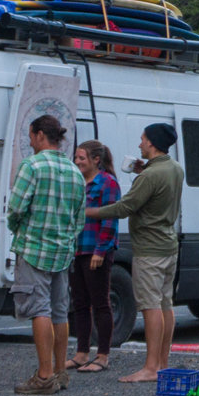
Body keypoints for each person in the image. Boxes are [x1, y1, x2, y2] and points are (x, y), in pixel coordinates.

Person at [84, 123, 182, 385]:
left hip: (149, 249)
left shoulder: (148, 177)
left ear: (151, 143)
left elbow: (124, 207)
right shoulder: (174, 169)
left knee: (150, 306)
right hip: (169, 244)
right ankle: (162, 362)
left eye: (142, 139)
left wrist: (87, 212)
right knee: (165, 303)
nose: (139, 144)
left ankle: (150, 368)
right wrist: (144, 169)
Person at [5, 114, 85, 394]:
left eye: (30, 136)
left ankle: (44, 376)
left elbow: (15, 208)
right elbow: (79, 217)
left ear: (40, 135)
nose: (29, 141)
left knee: (39, 310)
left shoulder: (32, 166)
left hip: (34, 247)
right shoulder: (75, 170)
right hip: (62, 250)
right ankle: (61, 371)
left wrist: (17, 229)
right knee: (60, 312)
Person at [67, 140, 120, 373]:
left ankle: (103, 355)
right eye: (76, 158)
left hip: (96, 249)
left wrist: (101, 250)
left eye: (82, 158)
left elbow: (110, 219)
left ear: (96, 160)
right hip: (77, 248)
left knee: (100, 303)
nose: (77, 162)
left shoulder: (107, 182)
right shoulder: (77, 181)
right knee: (79, 303)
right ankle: (81, 352)